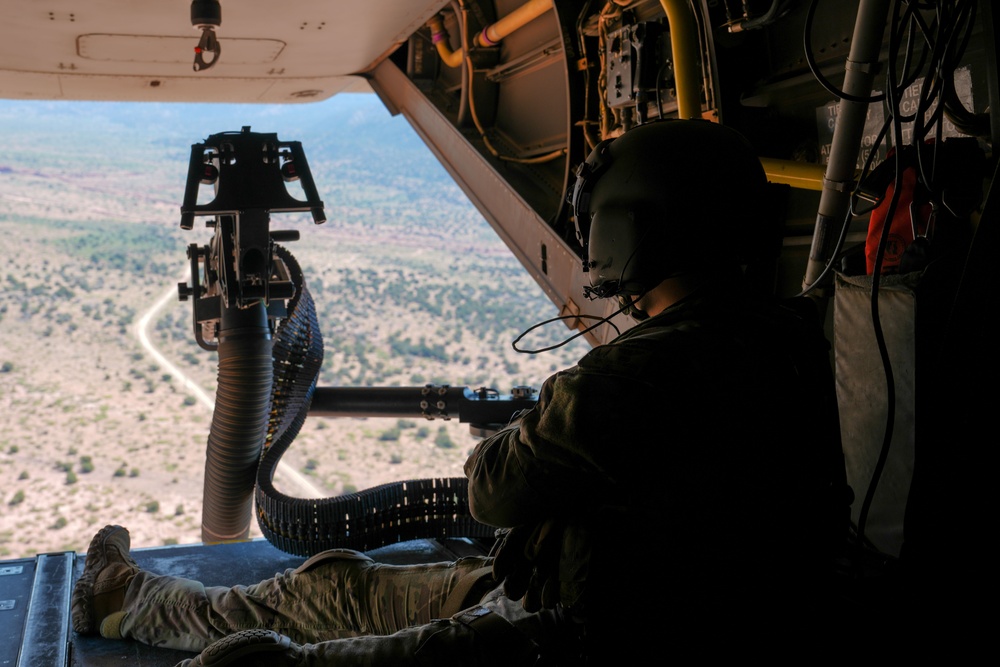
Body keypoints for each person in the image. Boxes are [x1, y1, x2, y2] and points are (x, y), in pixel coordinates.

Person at [70, 119, 849, 665]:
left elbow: (493, 491)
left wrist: (517, 430)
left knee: (295, 633)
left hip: (563, 639)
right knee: (337, 584)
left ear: (631, 230)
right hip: (616, 609)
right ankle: (124, 597)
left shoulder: (633, 374)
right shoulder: (796, 337)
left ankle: (128, 603)